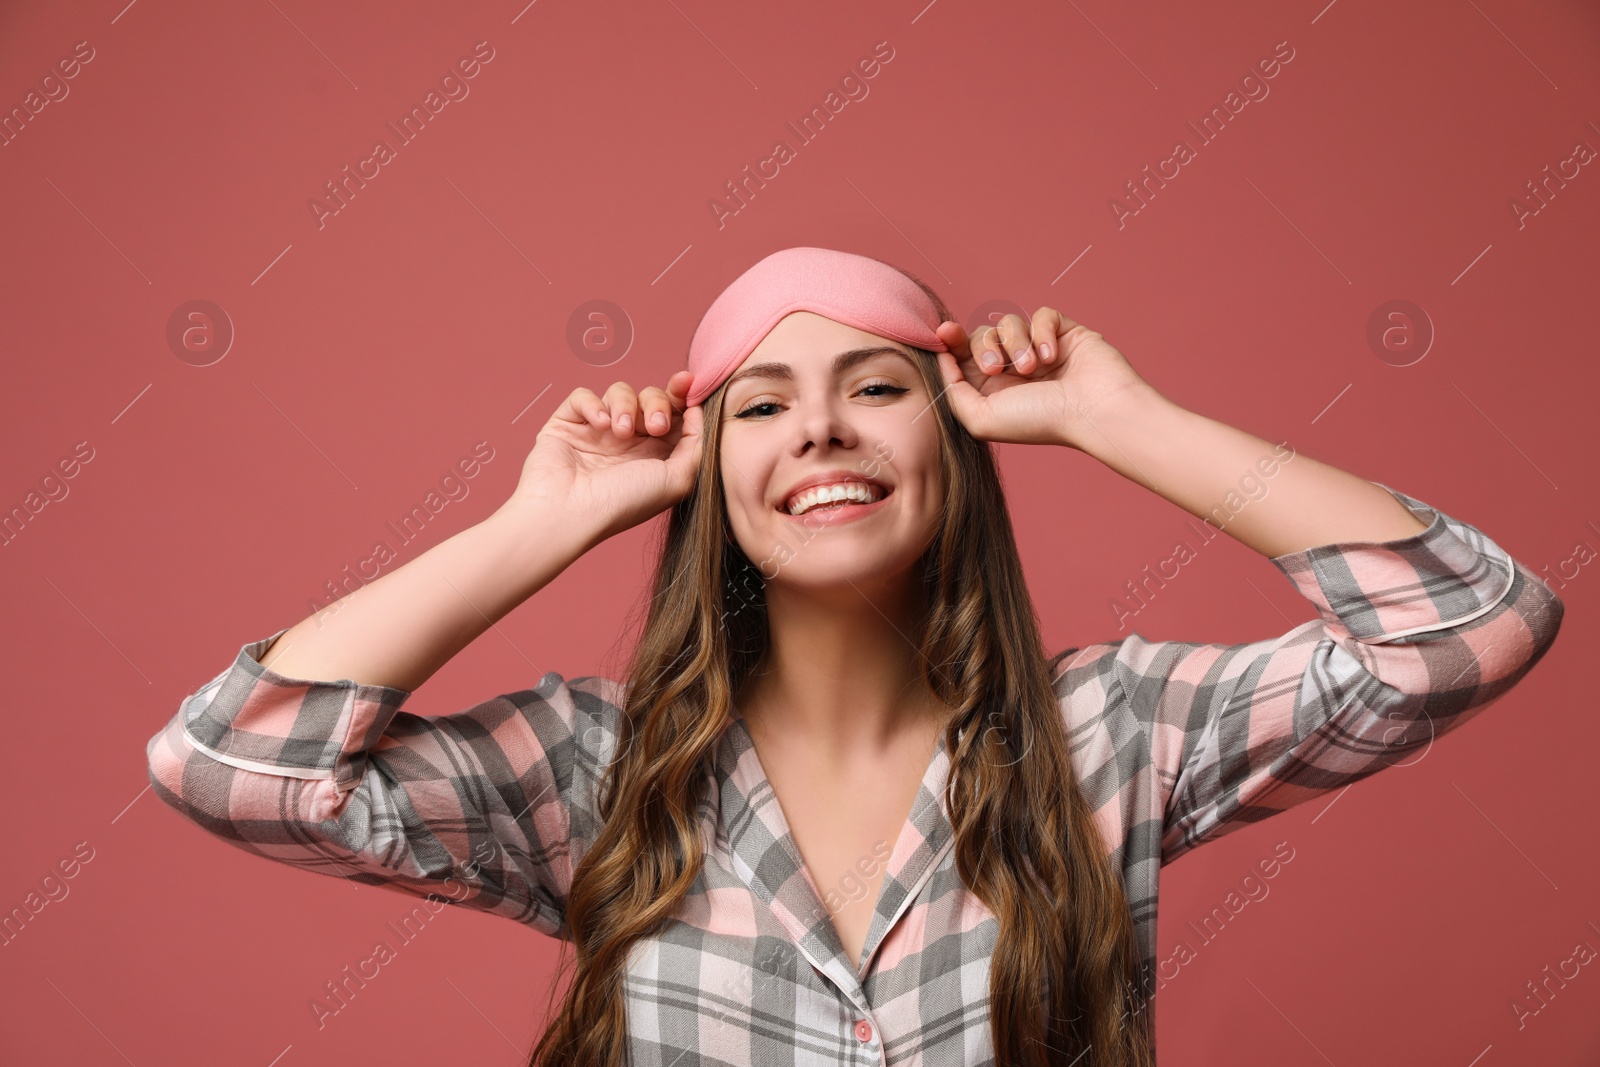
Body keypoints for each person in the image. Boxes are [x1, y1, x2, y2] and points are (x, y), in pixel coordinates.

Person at [145, 246, 1565, 1067]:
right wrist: (548, 520)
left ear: (952, 440)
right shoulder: (592, 770)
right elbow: (229, 761)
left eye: (878, 388)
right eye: (761, 406)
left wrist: (1119, 417)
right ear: (711, 473)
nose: (821, 431)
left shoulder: (1110, 733)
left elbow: (1470, 621)